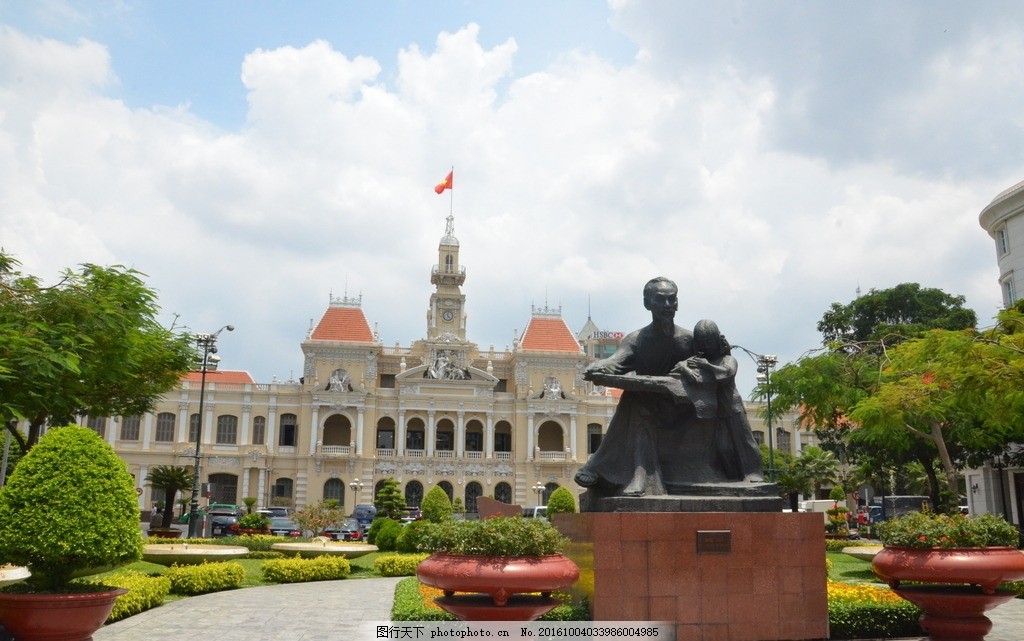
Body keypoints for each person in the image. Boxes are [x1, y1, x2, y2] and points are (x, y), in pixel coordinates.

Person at [574, 277, 695, 496]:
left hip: (684, 408)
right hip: (650, 404)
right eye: (661, 300)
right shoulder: (637, 340)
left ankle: (612, 471)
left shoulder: (689, 340)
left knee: (637, 400)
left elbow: (713, 367)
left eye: (672, 300)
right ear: (648, 303)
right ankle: (639, 477)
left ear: (677, 303)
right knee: (635, 399)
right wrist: (599, 367)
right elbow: (616, 362)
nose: (667, 306)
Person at [675, 319, 763, 483]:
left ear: (716, 340)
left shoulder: (727, 360)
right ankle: (732, 476)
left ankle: (753, 473)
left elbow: (726, 373)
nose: (706, 346)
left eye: (709, 342)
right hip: (716, 411)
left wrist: (707, 366)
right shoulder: (701, 360)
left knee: (744, 443)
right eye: (703, 343)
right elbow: (680, 364)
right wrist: (686, 369)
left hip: (732, 408)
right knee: (723, 447)